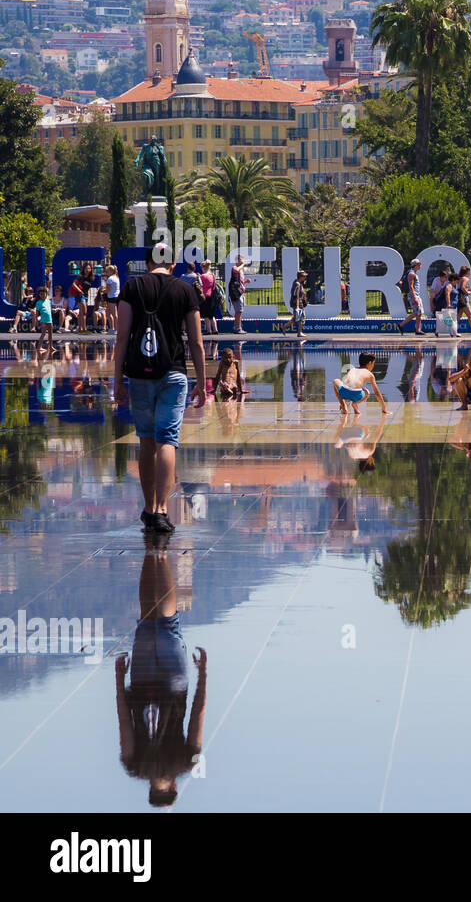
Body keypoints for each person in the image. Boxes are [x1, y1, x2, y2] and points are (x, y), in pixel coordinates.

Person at [113, 248, 206, 534]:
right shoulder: (185, 290)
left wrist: (117, 380)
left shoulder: (131, 288)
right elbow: (196, 341)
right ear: (174, 265)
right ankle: (163, 511)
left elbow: (122, 337)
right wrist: (201, 382)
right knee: (167, 440)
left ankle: (149, 507)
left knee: (146, 440)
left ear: (148, 263)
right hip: (174, 372)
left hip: (139, 374)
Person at [115, 540, 207, 808]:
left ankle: (162, 552)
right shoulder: (135, 766)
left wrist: (203, 674)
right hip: (142, 681)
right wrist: (119, 680)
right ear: (150, 791)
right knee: (147, 617)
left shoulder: (185, 762)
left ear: (175, 787)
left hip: (174, 683)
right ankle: (151, 551)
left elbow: (197, 714)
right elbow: (124, 721)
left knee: (168, 622)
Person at [399, 259, 425, 336]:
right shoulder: (411, 274)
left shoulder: (413, 273)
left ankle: (418, 330)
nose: (420, 265)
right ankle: (401, 325)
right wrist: (414, 297)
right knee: (416, 312)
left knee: (419, 313)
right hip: (413, 295)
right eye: (419, 264)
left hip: (416, 295)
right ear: (415, 265)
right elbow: (411, 286)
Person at [288, 268, 309, 339]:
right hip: (297, 303)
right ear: (301, 276)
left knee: (296, 317)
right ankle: (299, 333)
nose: (305, 277)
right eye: (304, 276)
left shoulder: (297, 283)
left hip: (298, 302)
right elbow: (296, 295)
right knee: (301, 317)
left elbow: (300, 293)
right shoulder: (297, 284)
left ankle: (284, 328)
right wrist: (297, 306)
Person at [197, 260, 217, 335]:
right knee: (211, 315)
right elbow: (214, 286)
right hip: (212, 296)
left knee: (205, 315)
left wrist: (199, 276)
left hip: (205, 296)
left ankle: (209, 331)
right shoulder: (212, 275)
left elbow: (200, 285)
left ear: (203, 267)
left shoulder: (202, 276)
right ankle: (215, 330)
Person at [228, 254, 247, 333]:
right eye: (240, 259)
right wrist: (242, 265)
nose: (242, 261)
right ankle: (237, 328)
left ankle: (238, 327)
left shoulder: (241, 271)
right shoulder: (235, 268)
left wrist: (246, 282)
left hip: (240, 292)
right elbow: (236, 270)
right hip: (236, 293)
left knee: (240, 311)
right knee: (238, 310)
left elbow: (240, 283)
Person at [34, 285, 54, 353]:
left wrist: (54, 310)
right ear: (39, 295)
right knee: (43, 333)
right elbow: (37, 312)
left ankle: (51, 346)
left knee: (50, 334)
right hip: (43, 320)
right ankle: (39, 347)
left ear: (46, 294)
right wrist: (36, 320)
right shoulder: (38, 303)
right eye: (41, 294)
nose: (43, 295)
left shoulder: (48, 301)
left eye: (44, 294)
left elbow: (49, 310)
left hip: (50, 320)